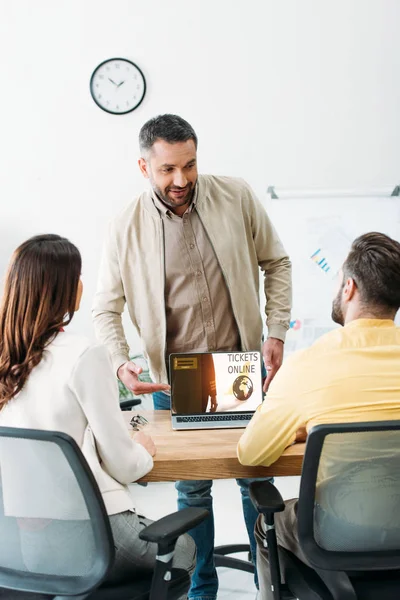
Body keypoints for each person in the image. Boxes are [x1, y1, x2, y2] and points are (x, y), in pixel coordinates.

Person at [92, 114, 292, 600]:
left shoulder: (236, 196)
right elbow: (105, 308)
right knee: (194, 492)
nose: (180, 180)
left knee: (254, 482)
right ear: (144, 167)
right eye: (167, 170)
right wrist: (123, 362)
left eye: (189, 165)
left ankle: (269, 582)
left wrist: (278, 331)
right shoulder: (125, 225)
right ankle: (203, 589)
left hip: (239, 373)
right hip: (174, 381)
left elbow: (276, 261)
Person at [0, 234, 195, 593]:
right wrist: (141, 447)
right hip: (80, 537)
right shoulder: (83, 355)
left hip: (15, 547)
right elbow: (124, 464)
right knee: (183, 548)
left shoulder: (5, 354)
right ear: (64, 290)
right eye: (77, 277)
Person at [237, 232, 400, 600]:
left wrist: (303, 430)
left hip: (341, 531)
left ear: (349, 288)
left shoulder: (309, 365)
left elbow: (251, 455)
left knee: (271, 522)